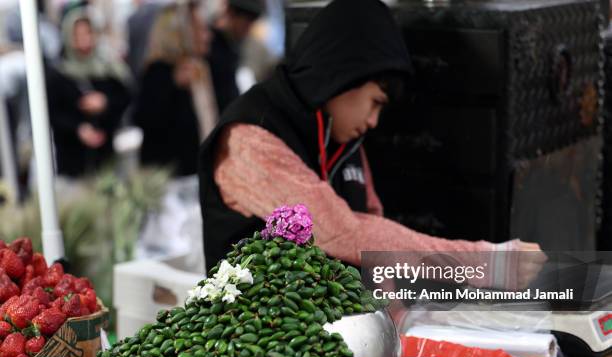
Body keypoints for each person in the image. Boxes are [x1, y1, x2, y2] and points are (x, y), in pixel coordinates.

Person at [199, 0, 546, 287]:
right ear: (343, 74)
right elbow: (345, 234)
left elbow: (374, 236)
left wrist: (396, 333)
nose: (374, 121)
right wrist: (487, 264)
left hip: (327, 341)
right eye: (375, 101)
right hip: (250, 346)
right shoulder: (250, 138)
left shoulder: (341, 136)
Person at [132, 2, 217, 176]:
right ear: (180, 33)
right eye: (200, 30)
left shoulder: (203, 67)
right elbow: (144, 118)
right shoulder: (158, 72)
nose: (207, 36)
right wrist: (172, 85)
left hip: (199, 173)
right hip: (169, 178)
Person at [46, 7, 131, 177]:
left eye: (88, 33)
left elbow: (126, 96)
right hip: (73, 161)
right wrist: (78, 128)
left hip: (107, 156)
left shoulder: (107, 66)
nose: (84, 40)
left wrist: (105, 102)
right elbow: (52, 113)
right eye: (78, 35)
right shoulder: (59, 73)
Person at [208, 0, 264, 112]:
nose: (247, 29)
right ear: (231, 13)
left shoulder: (232, 45)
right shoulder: (210, 46)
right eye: (245, 22)